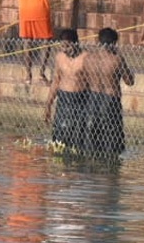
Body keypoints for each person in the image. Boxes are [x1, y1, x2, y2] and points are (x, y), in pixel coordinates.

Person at [82, 27, 134, 157]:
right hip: (110, 100)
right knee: (112, 134)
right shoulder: (117, 59)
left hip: (92, 98)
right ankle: (111, 163)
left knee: (92, 133)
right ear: (114, 43)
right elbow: (129, 81)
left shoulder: (88, 58)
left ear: (98, 41)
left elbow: (84, 79)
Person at [45, 28, 88, 153]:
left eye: (67, 46)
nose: (65, 49)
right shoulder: (59, 57)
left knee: (76, 138)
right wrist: (48, 104)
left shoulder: (85, 58)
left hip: (80, 100)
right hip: (63, 99)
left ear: (75, 43)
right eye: (62, 46)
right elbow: (56, 81)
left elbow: (92, 83)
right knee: (59, 137)